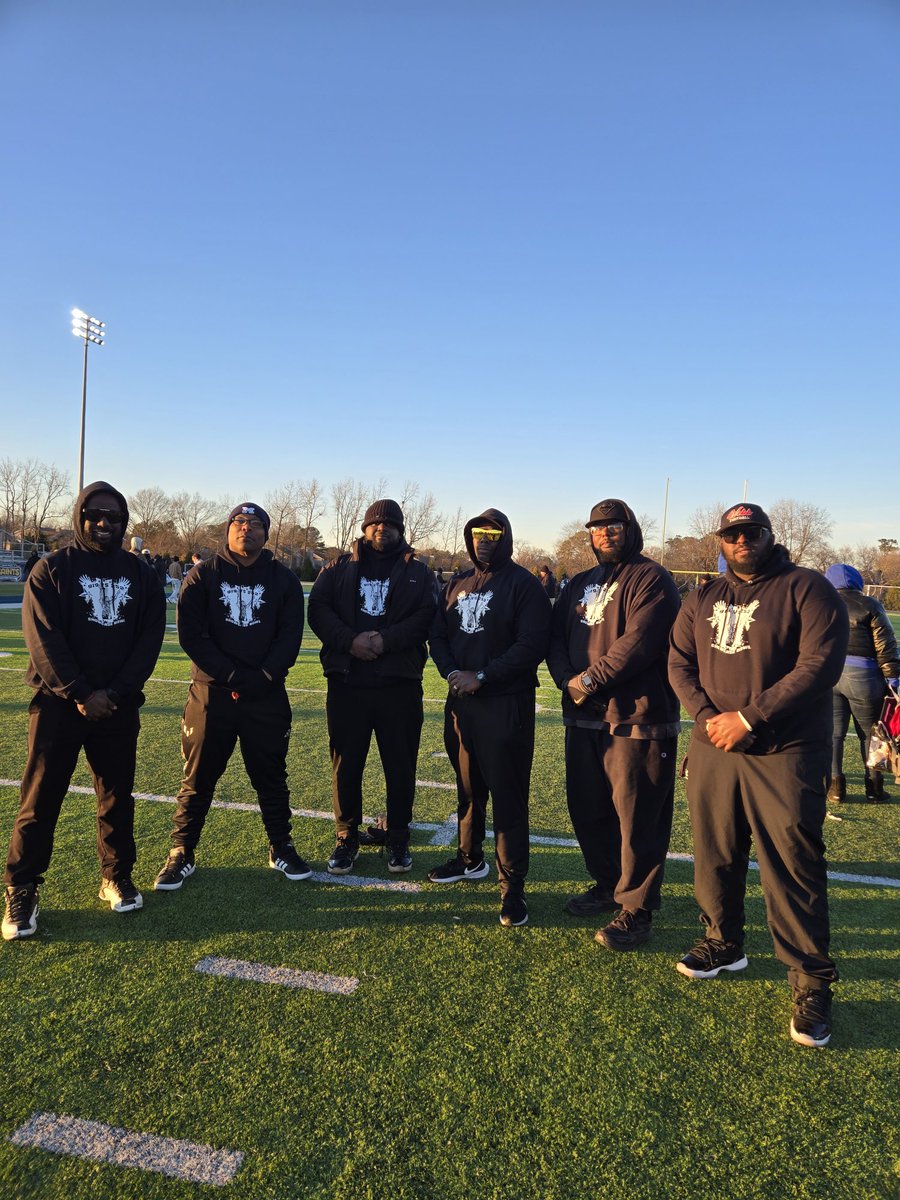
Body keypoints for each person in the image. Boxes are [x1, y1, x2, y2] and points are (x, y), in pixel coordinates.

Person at [668, 502, 849, 1048]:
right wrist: (708, 721)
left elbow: (819, 664)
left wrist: (749, 717)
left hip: (784, 750)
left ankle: (810, 982)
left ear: (770, 535)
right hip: (714, 746)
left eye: (751, 532)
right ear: (720, 541)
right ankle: (723, 943)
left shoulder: (806, 588)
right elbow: (679, 663)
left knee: (791, 863)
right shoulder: (702, 596)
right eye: (732, 533)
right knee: (715, 851)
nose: (741, 540)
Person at [3, 482, 166, 939]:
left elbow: (149, 639)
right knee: (40, 798)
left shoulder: (141, 574)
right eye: (95, 514)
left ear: (125, 522)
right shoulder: (51, 568)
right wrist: (78, 691)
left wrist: (113, 692)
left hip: (116, 704)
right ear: (80, 516)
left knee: (117, 796)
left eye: (114, 517)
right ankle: (22, 887)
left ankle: (115, 875)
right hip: (58, 704)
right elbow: (43, 639)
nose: (104, 523)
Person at [153, 503, 311, 890]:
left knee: (271, 776)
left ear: (266, 534)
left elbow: (289, 636)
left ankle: (280, 846)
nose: (246, 529)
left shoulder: (283, 580)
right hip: (212, 694)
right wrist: (230, 674)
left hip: (266, 694)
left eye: (255, 524)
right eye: (239, 523)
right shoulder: (203, 575)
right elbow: (192, 634)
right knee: (197, 777)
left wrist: (264, 675)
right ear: (227, 531)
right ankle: (181, 852)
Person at [547, 500, 680, 949]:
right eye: (597, 527)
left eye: (614, 526)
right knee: (589, 810)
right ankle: (607, 884)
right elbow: (555, 638)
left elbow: (640, 641)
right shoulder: (580, 583)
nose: (605, 533)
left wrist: (589, 680)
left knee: (638, 817)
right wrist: (567, 681)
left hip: (637, 718)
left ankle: (637, 908)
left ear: (631, 529)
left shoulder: (651, 578)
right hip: (584, 717)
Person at [428, 509, 551, 927]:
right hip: (461, 702)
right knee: (467, 788)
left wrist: (483, 676)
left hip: (505, 704)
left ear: (506, 537)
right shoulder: (457, 582)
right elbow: (438, 635)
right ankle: (469, 859)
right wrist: (452, 674)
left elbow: (532, 644)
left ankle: (512, 887)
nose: (483, 540)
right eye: (477, 533)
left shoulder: (524, 585)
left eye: (492, 534)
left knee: (509, 797)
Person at [307, 499, 435, 874]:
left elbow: (426, 616)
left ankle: (398, 837)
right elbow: (318, 610)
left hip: (399, 683)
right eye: (375, 524)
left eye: (389, 524)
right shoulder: (338, 567)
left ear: (400, 529)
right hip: (348, 683)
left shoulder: (419, 571)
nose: (382, 528)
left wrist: (384, 640)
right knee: (346, 765)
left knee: (400, 764)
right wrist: (350, 641)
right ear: (364, 529)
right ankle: (346, 837)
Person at [824, 563, 899, 803]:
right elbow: (885, 646)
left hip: (830, 673)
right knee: (871, 733)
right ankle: (874, 788)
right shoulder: (871, 604)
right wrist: (893, 677)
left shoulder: (820, 602)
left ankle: (835, 788)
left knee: (834, 734)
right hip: (864, 675)